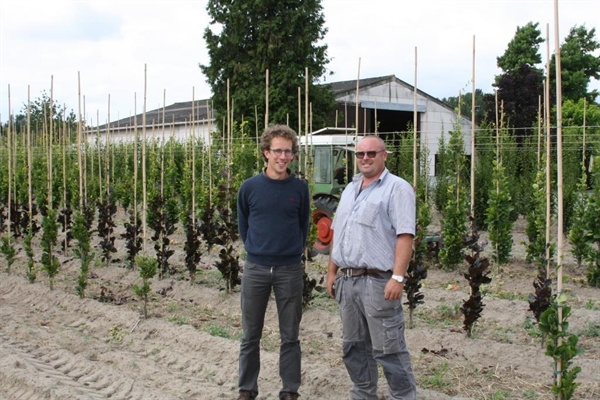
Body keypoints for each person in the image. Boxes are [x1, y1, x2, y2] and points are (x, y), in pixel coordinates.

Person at [326, 135, 417, 400]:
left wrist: (398, 277)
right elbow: (337, 233)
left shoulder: (397, 188)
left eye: (371, 153)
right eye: (360, 154)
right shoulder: (350, 189)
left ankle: (403, 396)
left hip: (378, 283)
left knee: (388, 348)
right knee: (354, 347)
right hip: (348, 281)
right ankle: (364, 394)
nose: (365, 158)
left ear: (384, 155)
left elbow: (405, 235)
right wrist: (332, 272)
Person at [236, 124, 311, 400]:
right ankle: (247, 389)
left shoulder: (300, 189)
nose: (282, 156)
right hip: (255, 269)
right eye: (277, 150)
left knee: (290, 335)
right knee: (250, 335)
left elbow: (303, 226)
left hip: (289, 270)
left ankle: (289, 391)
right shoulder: (249, 188)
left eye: (288, 151)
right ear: (266, 153)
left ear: (293, 155)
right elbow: (244, 226)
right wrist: (258, 250)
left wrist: (289, 252)